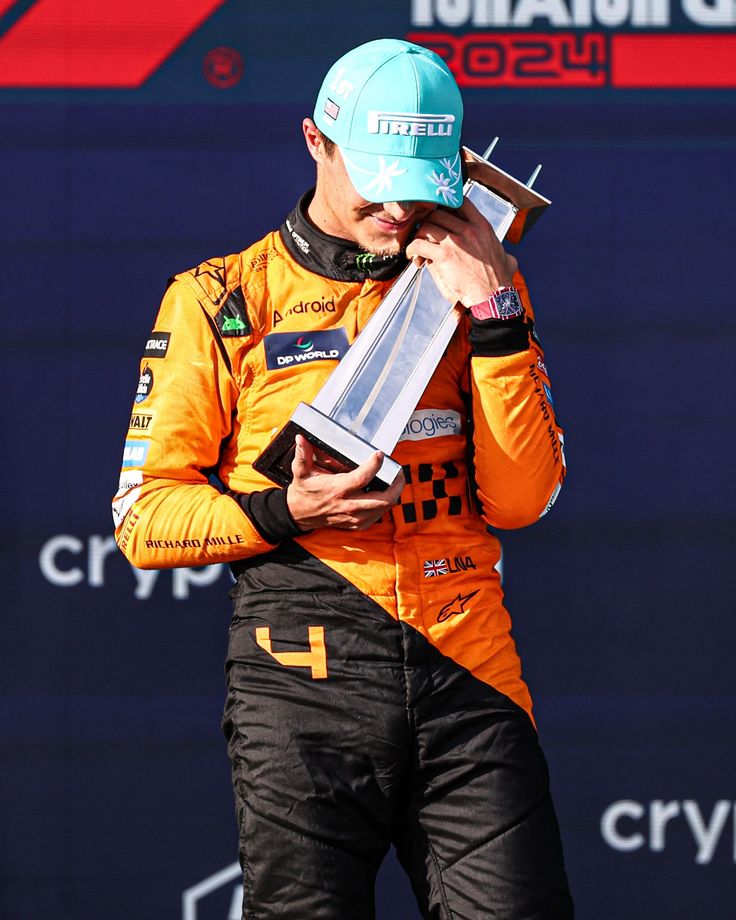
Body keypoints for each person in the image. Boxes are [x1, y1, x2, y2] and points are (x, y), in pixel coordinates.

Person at [113, 37, 573, 920]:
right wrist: (286, 508)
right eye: (378, 173)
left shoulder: (478, 283)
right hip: (301, 682)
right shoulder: (220, 297)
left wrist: (497, 311)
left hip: (470, 671)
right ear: (315, 143)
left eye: (422, 178)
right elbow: (144, 516)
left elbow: (521, 500)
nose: (401, 204)